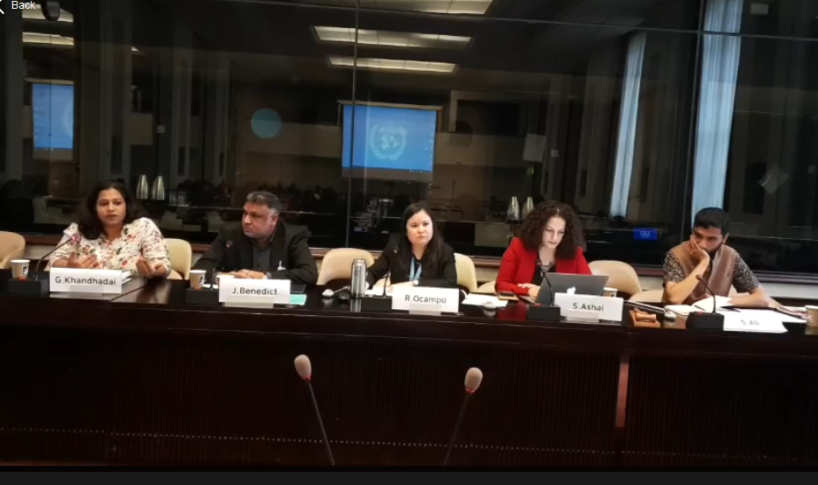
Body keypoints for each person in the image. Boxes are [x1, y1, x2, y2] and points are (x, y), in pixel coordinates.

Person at [49, 180, 170, 278]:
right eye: (103, 203)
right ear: (94, 208)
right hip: (87, 295)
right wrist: (69, 266)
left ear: (126, 205)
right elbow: (55, 259)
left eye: (117, 203)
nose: (111, 208)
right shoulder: (79, 229)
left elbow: (163, 266)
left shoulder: (143, 226)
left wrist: (152, 272)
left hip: (133, 295)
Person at [194, 191, 318, 285]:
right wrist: (228, 278)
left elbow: (309, 274)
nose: (246, 221)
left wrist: (264, 277)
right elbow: (201, 268)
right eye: (245, 213)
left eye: (255, 216)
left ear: (273, 219)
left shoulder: (292, 236)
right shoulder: (230, 233)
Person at [663, 207, 770, 307]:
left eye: (711, 239)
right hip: (677, 317)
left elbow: (762, 298)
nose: (702, 244)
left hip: (714, 318)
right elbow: (674, 298)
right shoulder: (676, 254)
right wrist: (703, 262)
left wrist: (718, 301)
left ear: (724, 239)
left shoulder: (731, 256)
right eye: (698, 235)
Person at [497, 200, 591, 298]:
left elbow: (590, 289)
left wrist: (544, 291)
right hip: (523, 307)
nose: (554, 238)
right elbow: (501, 285)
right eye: (549, 230)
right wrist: (527, 291)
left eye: (560, 232)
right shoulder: (518, 246)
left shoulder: (574, 253)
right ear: (538, 228)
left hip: (559, 308)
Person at [366, 202, 457, 288]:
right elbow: (372, 273)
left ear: (433, 226)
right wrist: (365, 284)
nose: (421, 230)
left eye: (425, 224)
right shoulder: (395, 248)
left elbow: (450, 283)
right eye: (414, 225)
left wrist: (415, 284)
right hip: (399, 299)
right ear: (405, 230)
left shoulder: (445, 252)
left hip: (431, 299)